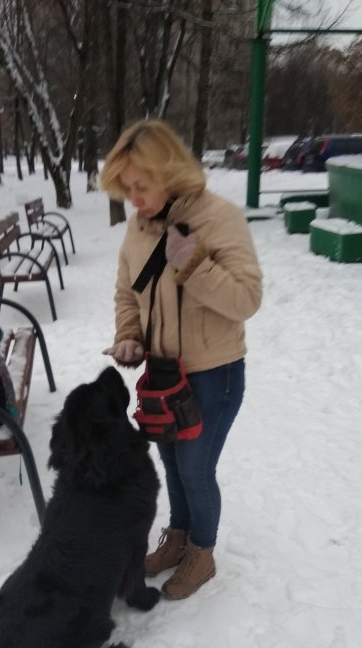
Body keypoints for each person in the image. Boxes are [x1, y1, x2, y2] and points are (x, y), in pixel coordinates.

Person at [100, 119, 263, 600]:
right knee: (171, 465)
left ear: (168, 171)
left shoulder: (221, 218)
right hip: (163, 372)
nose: (134, 198)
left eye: (141, 186)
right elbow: (127, 293)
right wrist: (129, 336)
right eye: (126, 188)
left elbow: (247, 299)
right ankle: (178, 536)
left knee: (195, 469)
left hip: (215, 373)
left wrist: (195, 266)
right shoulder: (138, 227)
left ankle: (202, 553)